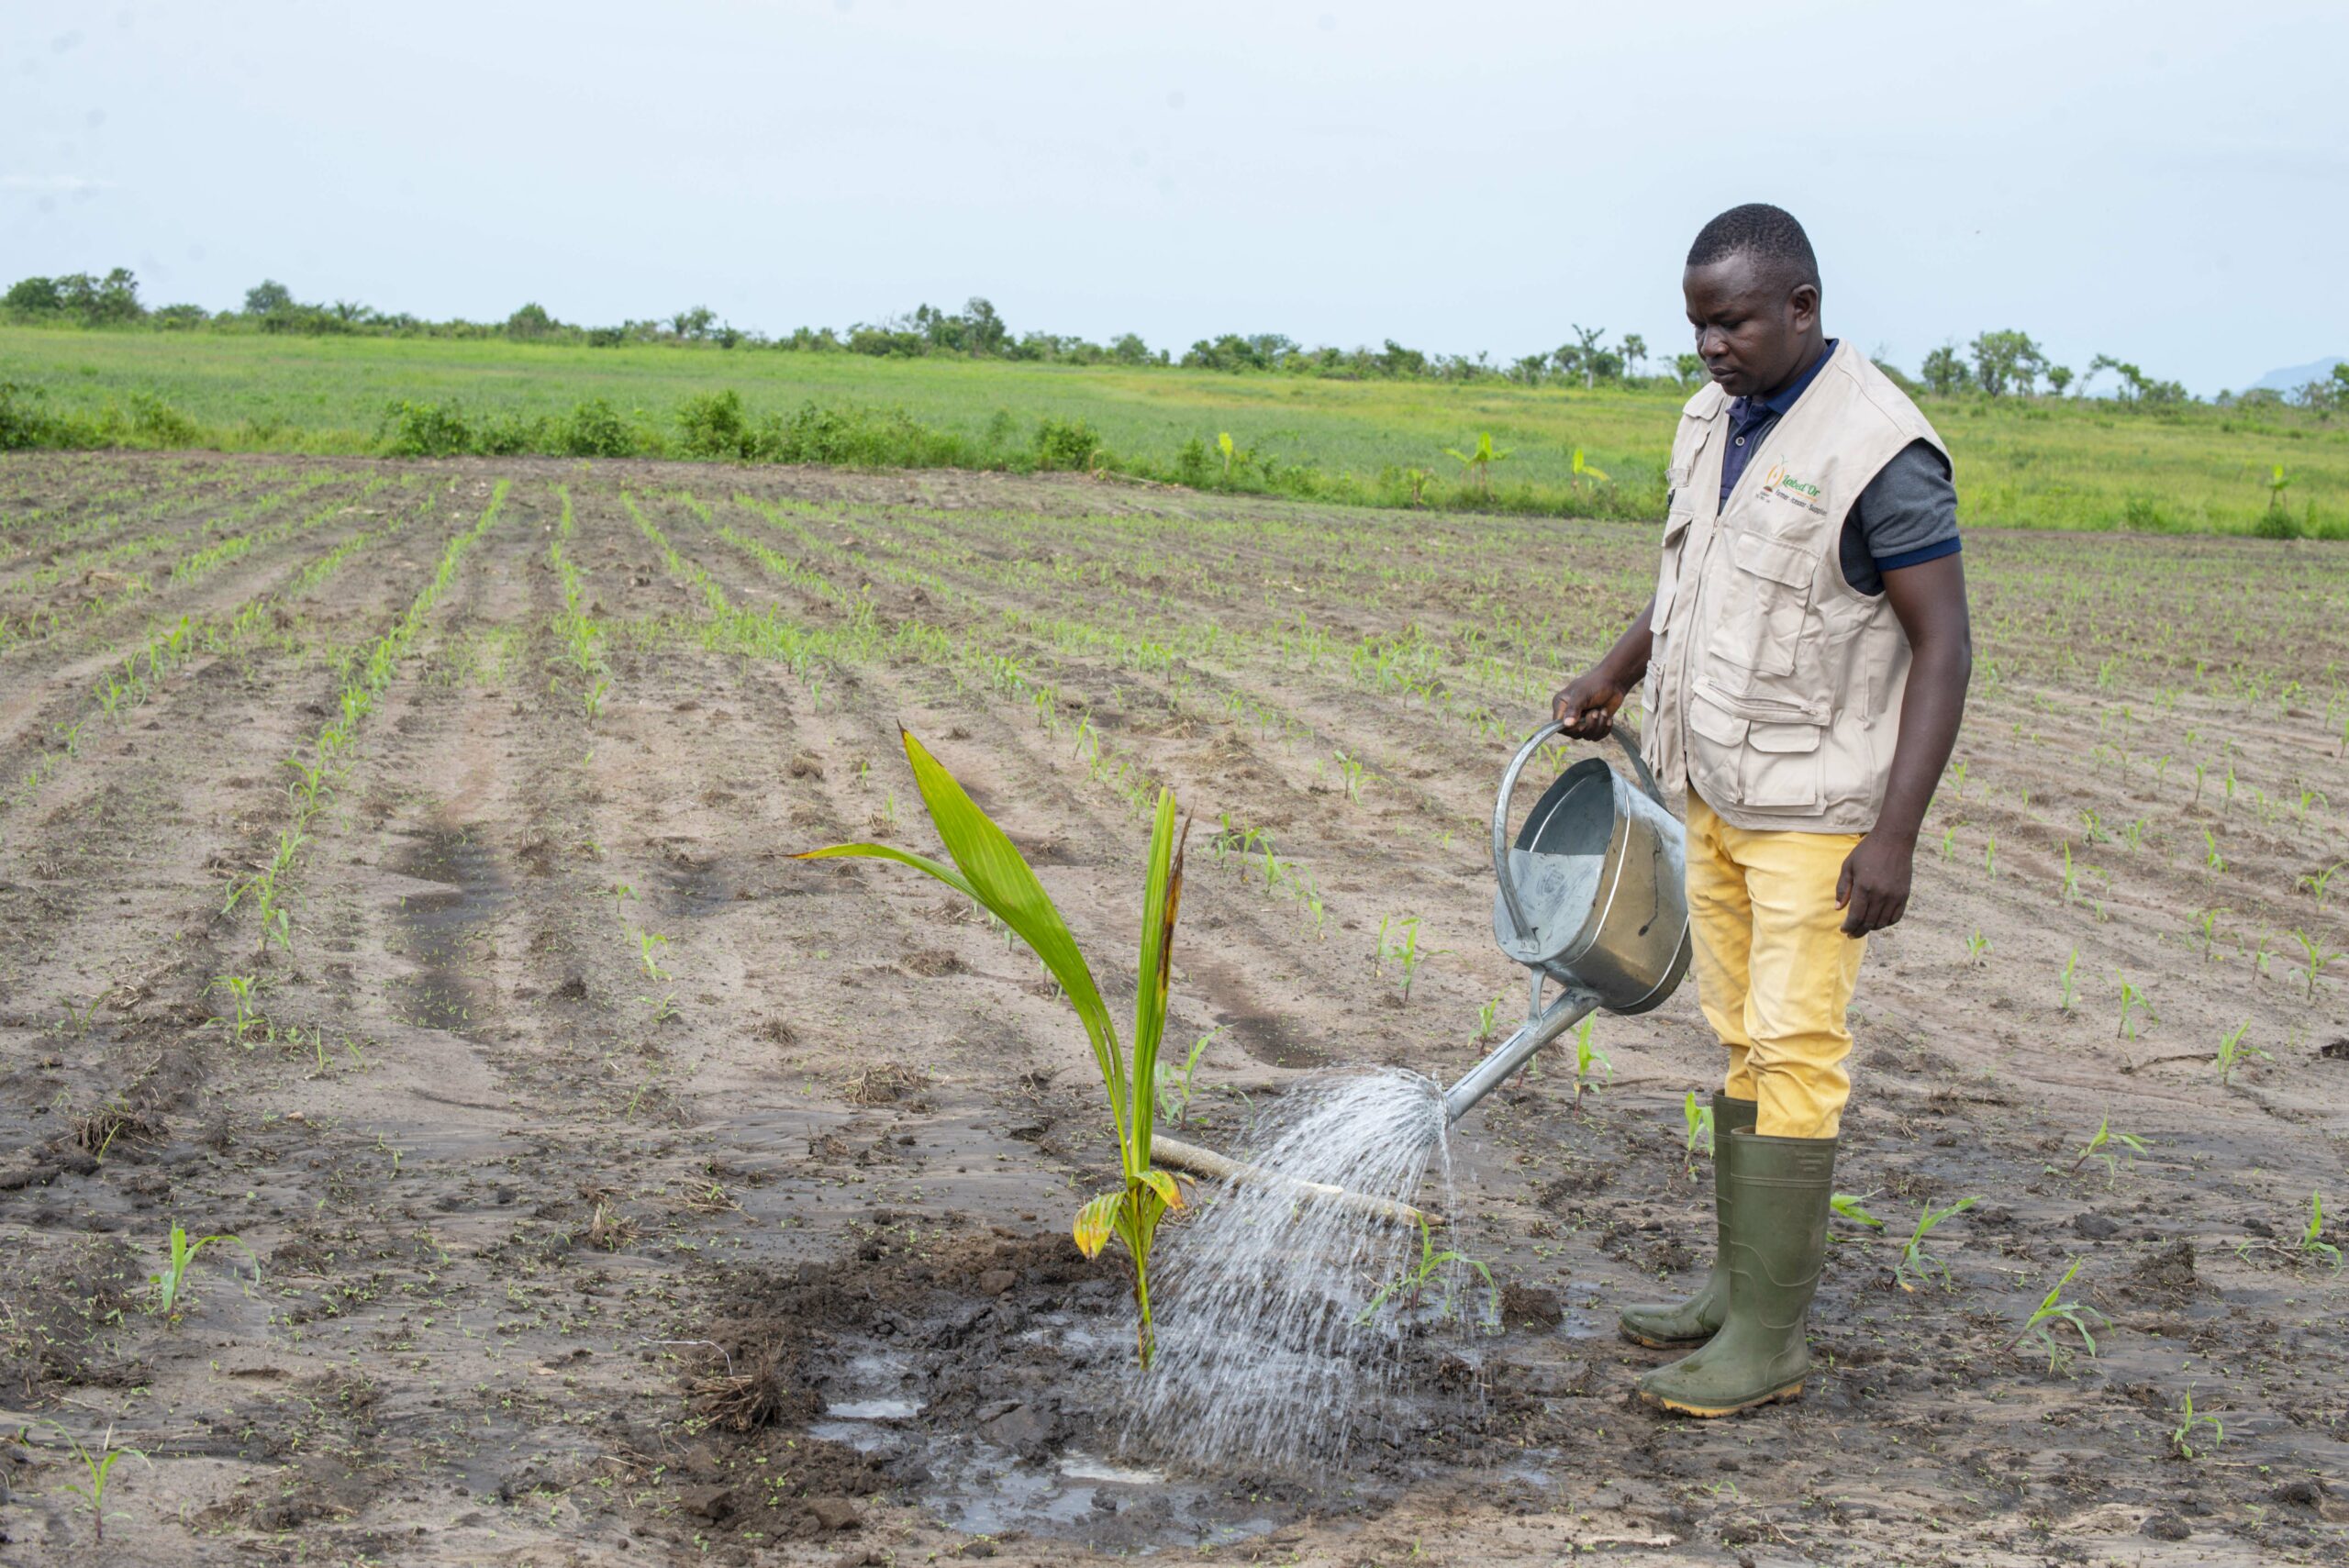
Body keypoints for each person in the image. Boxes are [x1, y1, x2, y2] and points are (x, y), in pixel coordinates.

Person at [1551, 203, 1973, 1417]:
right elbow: (1690, 578)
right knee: (1738, 1034)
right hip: (1714, 786)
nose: (1710, 347)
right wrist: (1615, 667)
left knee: (1797, 1046)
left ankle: (1771, 1339)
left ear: (1802, 306)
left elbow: (1942, 648)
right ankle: (1738, 1291)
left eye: (1730, 321)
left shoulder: (1881, 449)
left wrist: (1895, 833)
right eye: (1696, 324)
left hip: (1818, 811)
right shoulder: (1713, 418)